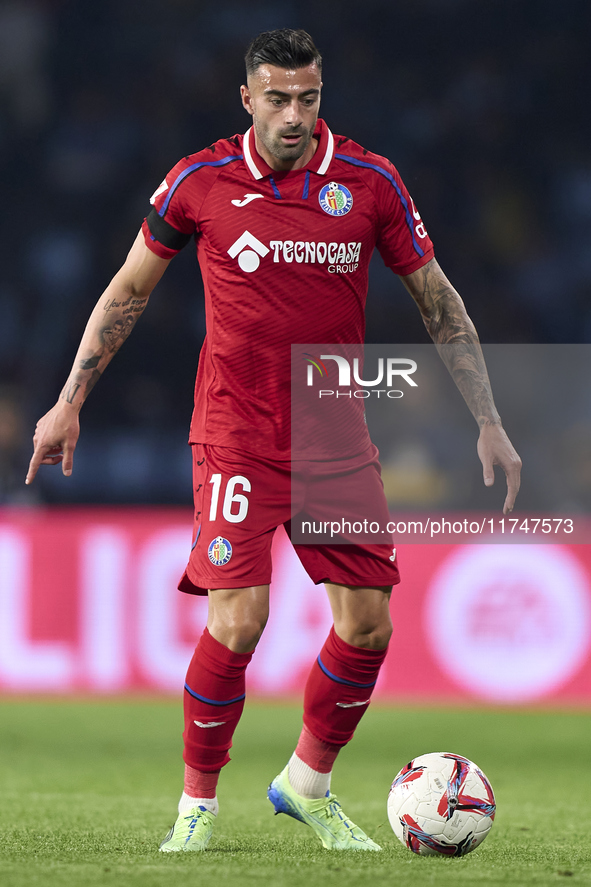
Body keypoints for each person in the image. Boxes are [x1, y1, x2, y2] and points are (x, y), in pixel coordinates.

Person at [26, 29, 521, 852]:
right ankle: (197, 805)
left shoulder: (367, 181)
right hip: (236, 436)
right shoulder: (200, 181)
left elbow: (438, 298)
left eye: (310, 97)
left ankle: (307, 783)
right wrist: (69, 399)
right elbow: (128, 289)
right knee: (239, 621)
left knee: (368, 626)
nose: (295, 115)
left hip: (335, 438)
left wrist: (491, 419)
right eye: (279, 98)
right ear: (247, 98)